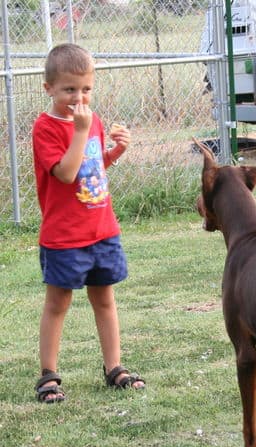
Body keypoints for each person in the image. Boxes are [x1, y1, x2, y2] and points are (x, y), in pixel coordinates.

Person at [32, 43, 144, 403]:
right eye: (69, 89)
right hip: (64, 236)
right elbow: (65, 174)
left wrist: (115, 152)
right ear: (49, 88)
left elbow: (89, 171)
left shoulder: (92, 120)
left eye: (85, 89)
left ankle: (115, 367)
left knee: (105, 300)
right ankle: (48, 376)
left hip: (102, 231)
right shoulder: (46, 128)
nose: (78, 97)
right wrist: (81, 132)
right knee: (57, 303)